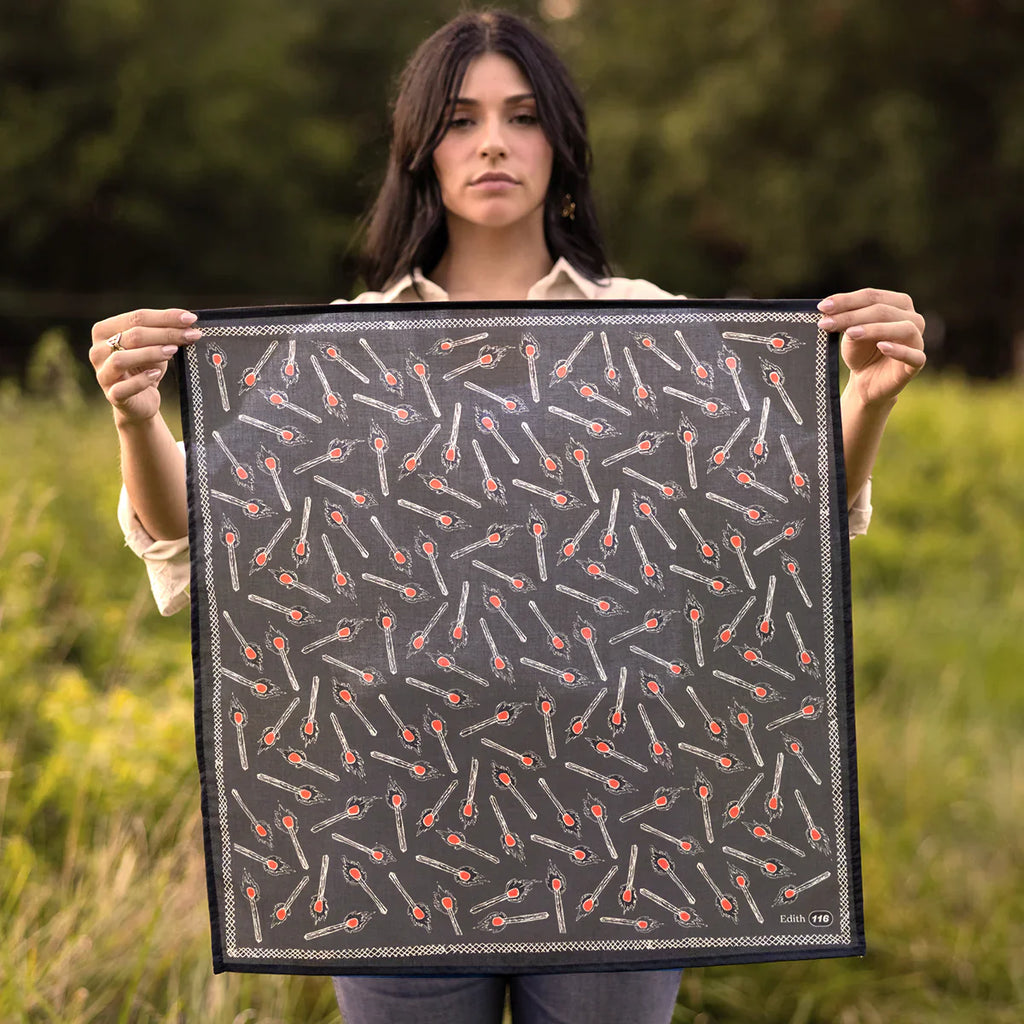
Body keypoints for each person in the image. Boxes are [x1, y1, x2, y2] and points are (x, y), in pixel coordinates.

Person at [88, 10, 925, 1024]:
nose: (492, 141)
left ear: (558, 146)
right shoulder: (346, 355)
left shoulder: (650, 326)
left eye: (521, 117)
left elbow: (774, 525)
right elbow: (204, 540)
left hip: (623, 836)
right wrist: (139, 417)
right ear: (419, 154)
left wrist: (866, 399)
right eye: (460, 118)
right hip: (396, 834)